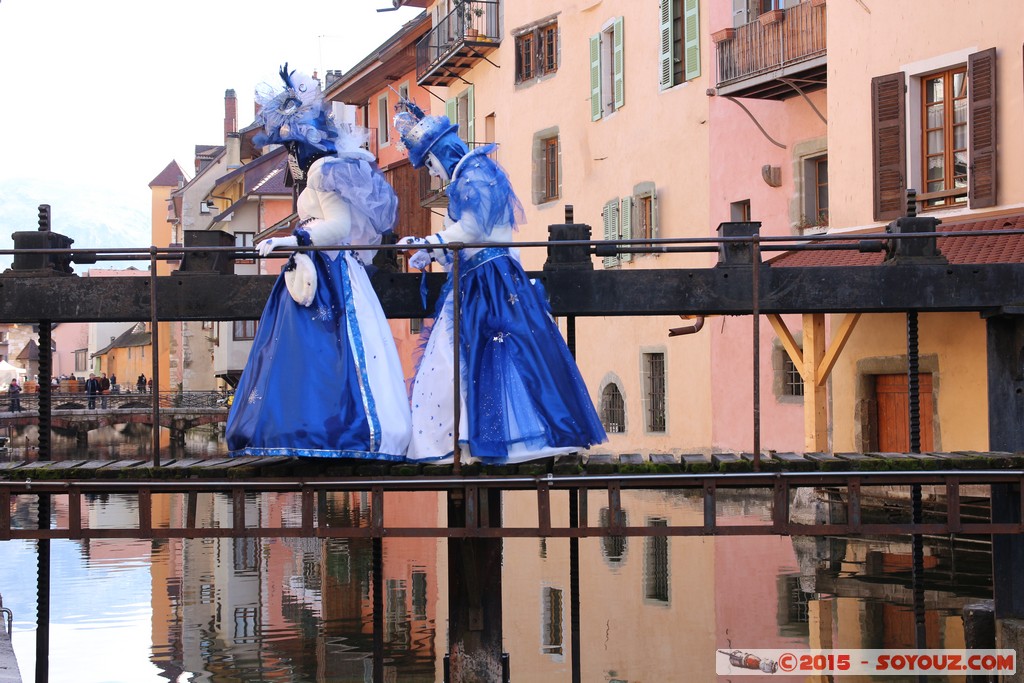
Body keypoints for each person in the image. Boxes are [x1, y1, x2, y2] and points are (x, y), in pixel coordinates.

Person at [393, 102, 607, 464]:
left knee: (491, 354)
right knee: (466, 355)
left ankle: (494, 440)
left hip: (490, 281)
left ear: (443, 152)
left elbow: (473, 230)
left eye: (430, 162)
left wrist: (430, 245)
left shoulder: (474, 174)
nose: (432, 172)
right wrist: (434, 252)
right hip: (480, 278)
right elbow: (468, 237)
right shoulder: (470, 176)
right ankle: (466, 440)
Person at [225, 64, 411, 460]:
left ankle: (331, 431)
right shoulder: (325, 171)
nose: (288, 156)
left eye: (290, 147)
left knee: (332, 353)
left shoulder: (325, 171)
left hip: (330, 273)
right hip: (316, 271)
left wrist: (292, 239)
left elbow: (339, 226)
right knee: (311, 354)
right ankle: (310, 428)